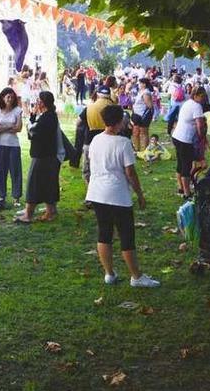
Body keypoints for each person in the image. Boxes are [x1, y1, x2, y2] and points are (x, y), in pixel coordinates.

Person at [86, 105, 160, 288]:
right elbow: (131, 173)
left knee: (104, 233)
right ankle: (136, 276)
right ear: (120, 122)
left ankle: (109, 273)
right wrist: (140, 194)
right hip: (117, 195)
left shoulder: (95, 140)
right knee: (126, 236)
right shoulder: (123, 143)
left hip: (97, 193)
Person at [15, 91, 60, 223]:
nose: (37, 103)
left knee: (34, 184)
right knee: (48, 184)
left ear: (43, 102)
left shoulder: (47, 117)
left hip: (42, 156)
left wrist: (30, 122)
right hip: (48, 155)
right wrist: (33, 115)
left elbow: (33, 132)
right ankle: (50, 211)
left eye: (39, 100)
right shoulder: (49, 116)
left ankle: (28, 214)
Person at [170, 86, 208, 198]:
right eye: (202, 96)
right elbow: (200, 125)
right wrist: (202, 137)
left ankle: (181, 188)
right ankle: (187, 193)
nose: (203, 98)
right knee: (186, 166)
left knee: (180, 164)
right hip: (185, 139)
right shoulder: (197, 106)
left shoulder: (187, 103)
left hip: (176, 136)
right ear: (195, 95)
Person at [0, 87, 24, 208]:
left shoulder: (17, 110)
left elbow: (19, 128)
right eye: (7, 97)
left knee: (15, 171)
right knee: (0, 171)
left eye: (12, 97)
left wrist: (3, 127)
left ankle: (16, 197)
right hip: (0, 145)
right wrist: (10, 126)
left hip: (14, 145)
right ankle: (1, 196)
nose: (10, 99)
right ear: (3, 97)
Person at [81, 83, 116, 185]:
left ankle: (90, 189)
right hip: (110, 141)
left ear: (97, 94)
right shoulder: (114, 108)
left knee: (88, 167)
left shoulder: (89, 107)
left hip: (90, 139)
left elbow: (79, 121)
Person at [130, 78, 154, 151]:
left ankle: (145, 150)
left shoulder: (146, 93)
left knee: (144, 133)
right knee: (135, 132)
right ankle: (137, 149)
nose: (138, 84)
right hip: (137, 115)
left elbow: (149, 106)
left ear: (144, 84)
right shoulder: (140, 92)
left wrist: (147, 116)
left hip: (143, 116)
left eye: (140, 83)